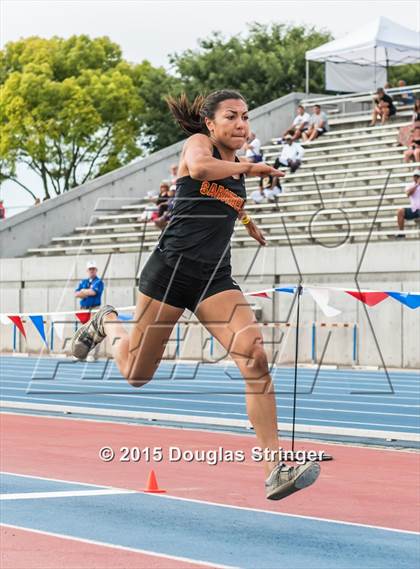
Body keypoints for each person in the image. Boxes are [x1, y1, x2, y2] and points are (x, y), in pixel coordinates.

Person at [70, 89, 320, 501]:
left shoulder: (234, 170)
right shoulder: (199, 146)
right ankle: (107, 321)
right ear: (211, 123)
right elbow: (202, 171)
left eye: (245, 117)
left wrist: (248, 219)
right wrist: (252, 166)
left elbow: (223, 199)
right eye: (232, 116)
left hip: (214, 279)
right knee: (136, 374)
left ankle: (276, 467)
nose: (242, 124)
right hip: (170, 272)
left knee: (255, 358)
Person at [74, 261, 105, 361]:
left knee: (94, 332)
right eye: (90, 269)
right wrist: (84, 292)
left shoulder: (99, 282)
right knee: (83, 332)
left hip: (94, 309)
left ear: (96, 270)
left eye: (93, 269)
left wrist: (83, 292)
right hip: (84, 309)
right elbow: (76, 294)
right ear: (87, 270)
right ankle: (81, 354)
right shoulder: (83, 282)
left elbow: (93, 292)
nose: (92, 271)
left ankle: (92, 354)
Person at [396, 170, 420, 238]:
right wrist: (417, 185)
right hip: (414, 210)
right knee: (400, 211)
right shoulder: (410, 185)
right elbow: (408, 193)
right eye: (415, 176)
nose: (416, 178)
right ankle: (401, 232)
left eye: (418, 176)